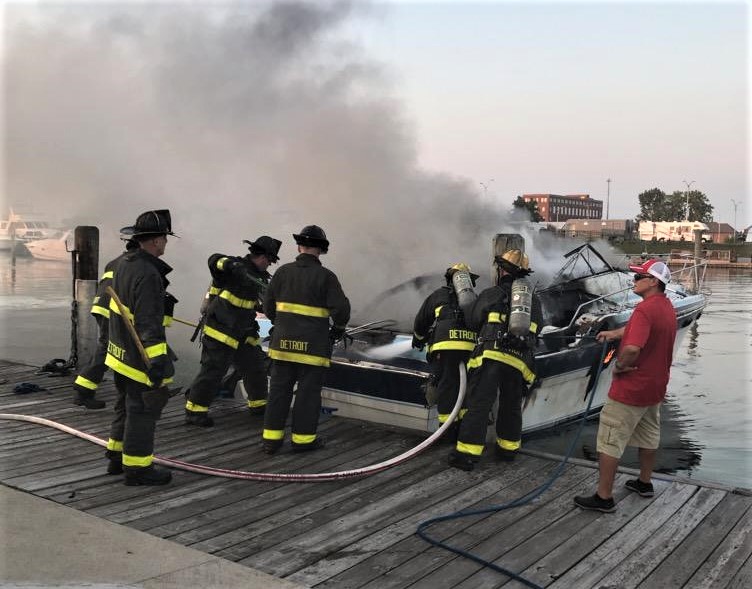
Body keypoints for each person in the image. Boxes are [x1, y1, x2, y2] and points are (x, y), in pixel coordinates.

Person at [574, 258, 676, 512]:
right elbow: (638, 330)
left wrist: (619, 365)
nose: (634, 281)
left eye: (639, 277)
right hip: (655, 388)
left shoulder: (643, 310)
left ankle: (604, 496)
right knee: (649, 436)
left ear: (653, 282)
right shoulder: (665, 306)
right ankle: (644, 482)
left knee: (610, 440)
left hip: (630, 389)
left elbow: (632, 348)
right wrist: (613, 333)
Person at [448, 249, 542, 471]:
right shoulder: (533, 301)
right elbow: (536, 330)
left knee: (479, 404)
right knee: (511, 406)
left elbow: (473, 320)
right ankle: (508, 450)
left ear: (501, 270)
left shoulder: (492, 294)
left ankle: (467, 455)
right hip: (519, 360)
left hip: (491, 356)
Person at [103, 209, 177, 486]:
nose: (166, 244)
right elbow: (148, 323)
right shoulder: (148, 274)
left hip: (118, 353)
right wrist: (156, 362)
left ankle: (116, 457)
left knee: (124, 405)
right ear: (156, 241)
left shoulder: (123, 263)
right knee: (143, 412)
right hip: (138, 359)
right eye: (165, 239)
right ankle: (137, 469)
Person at [261, 225, 350, 454]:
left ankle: (271, 441)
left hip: (282, 346)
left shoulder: (282, 272)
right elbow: (341, 310)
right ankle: (303, 441)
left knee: (278, 393)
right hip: (312, 348)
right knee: (307, 396)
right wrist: (338, 329)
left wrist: (282, 323)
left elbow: (268, 307)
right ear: (321, 250)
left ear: (300, 245)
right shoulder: (326, 277)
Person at [185, 235, 282, 426]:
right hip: (221, 330)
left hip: (243, 331)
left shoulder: (258, 278)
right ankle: (195, 411)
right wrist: (230, 265)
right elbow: (214, 260)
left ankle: (259, 405)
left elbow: (254, 303)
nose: (269, 265)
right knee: (213, 370)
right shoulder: (235, 268)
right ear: (262, 256)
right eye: (269, 261)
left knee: (255, 368)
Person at [412, 263, 479, 440]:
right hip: (469, 349)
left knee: (447, 386)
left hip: (445, 348)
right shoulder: (474, 298)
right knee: (466, 388)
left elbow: (422, 321)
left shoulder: (438, 295)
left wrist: (418, 339)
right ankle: (463, 430)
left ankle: (447, 430)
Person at [72, 237, 139, 410]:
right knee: (108, 349)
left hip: (102, 307)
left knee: (108, 347)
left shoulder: (116, 261)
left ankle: (84, 387)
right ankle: (83, 390)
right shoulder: (134, 264)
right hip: (113, 309)